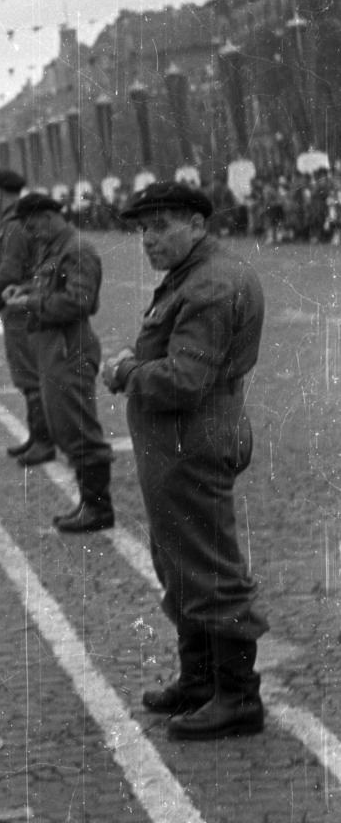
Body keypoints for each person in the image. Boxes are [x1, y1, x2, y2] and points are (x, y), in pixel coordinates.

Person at [103, 182, 267, 739]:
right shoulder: (193, 275)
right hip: (175, 442)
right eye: (144, 229)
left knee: (207, 566)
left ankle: (238, 697)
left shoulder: (213, 284)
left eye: (162, 225)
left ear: (198, 224)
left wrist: (126, 373)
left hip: (191, 438)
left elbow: (185, 380)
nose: (149, 239)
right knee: (179, 560)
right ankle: (199, 679)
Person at [7, 193, 114, 533]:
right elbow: (51, 286)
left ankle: (98, 508)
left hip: (69, 348)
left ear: (50, 217)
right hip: (54, 348)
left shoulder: (77, 249)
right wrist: (23, 290)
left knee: (78, 427)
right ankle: (89, 503)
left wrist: (31, 301)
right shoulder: (56, 249)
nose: (32, 234)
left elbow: (79, 301)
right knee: (65, 427)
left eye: (33, 226)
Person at [0, 168, 53, 463]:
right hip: (24, 301)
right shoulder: (14, 221)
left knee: (28, 374)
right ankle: (37, 436)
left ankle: (43, 440)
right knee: (28, 374)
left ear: (0, 192)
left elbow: (9, 269)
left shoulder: (12, 225)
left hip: (19, 304)